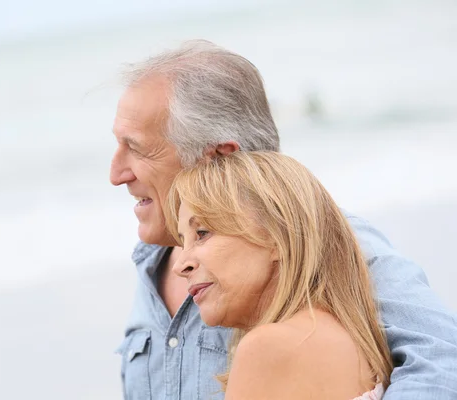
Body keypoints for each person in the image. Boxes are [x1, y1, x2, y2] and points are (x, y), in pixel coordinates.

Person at [110, 40, 457, 400]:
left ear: (217, 158)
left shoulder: (331, 242)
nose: (115, 174)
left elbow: (441, 360)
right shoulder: (153, 262)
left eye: (136, 148)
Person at [165, 151, 392, 399]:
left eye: (202, 232)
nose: (180, 265)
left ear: (276, 235)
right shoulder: (361, 342)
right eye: (182, 242)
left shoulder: (269, 347)